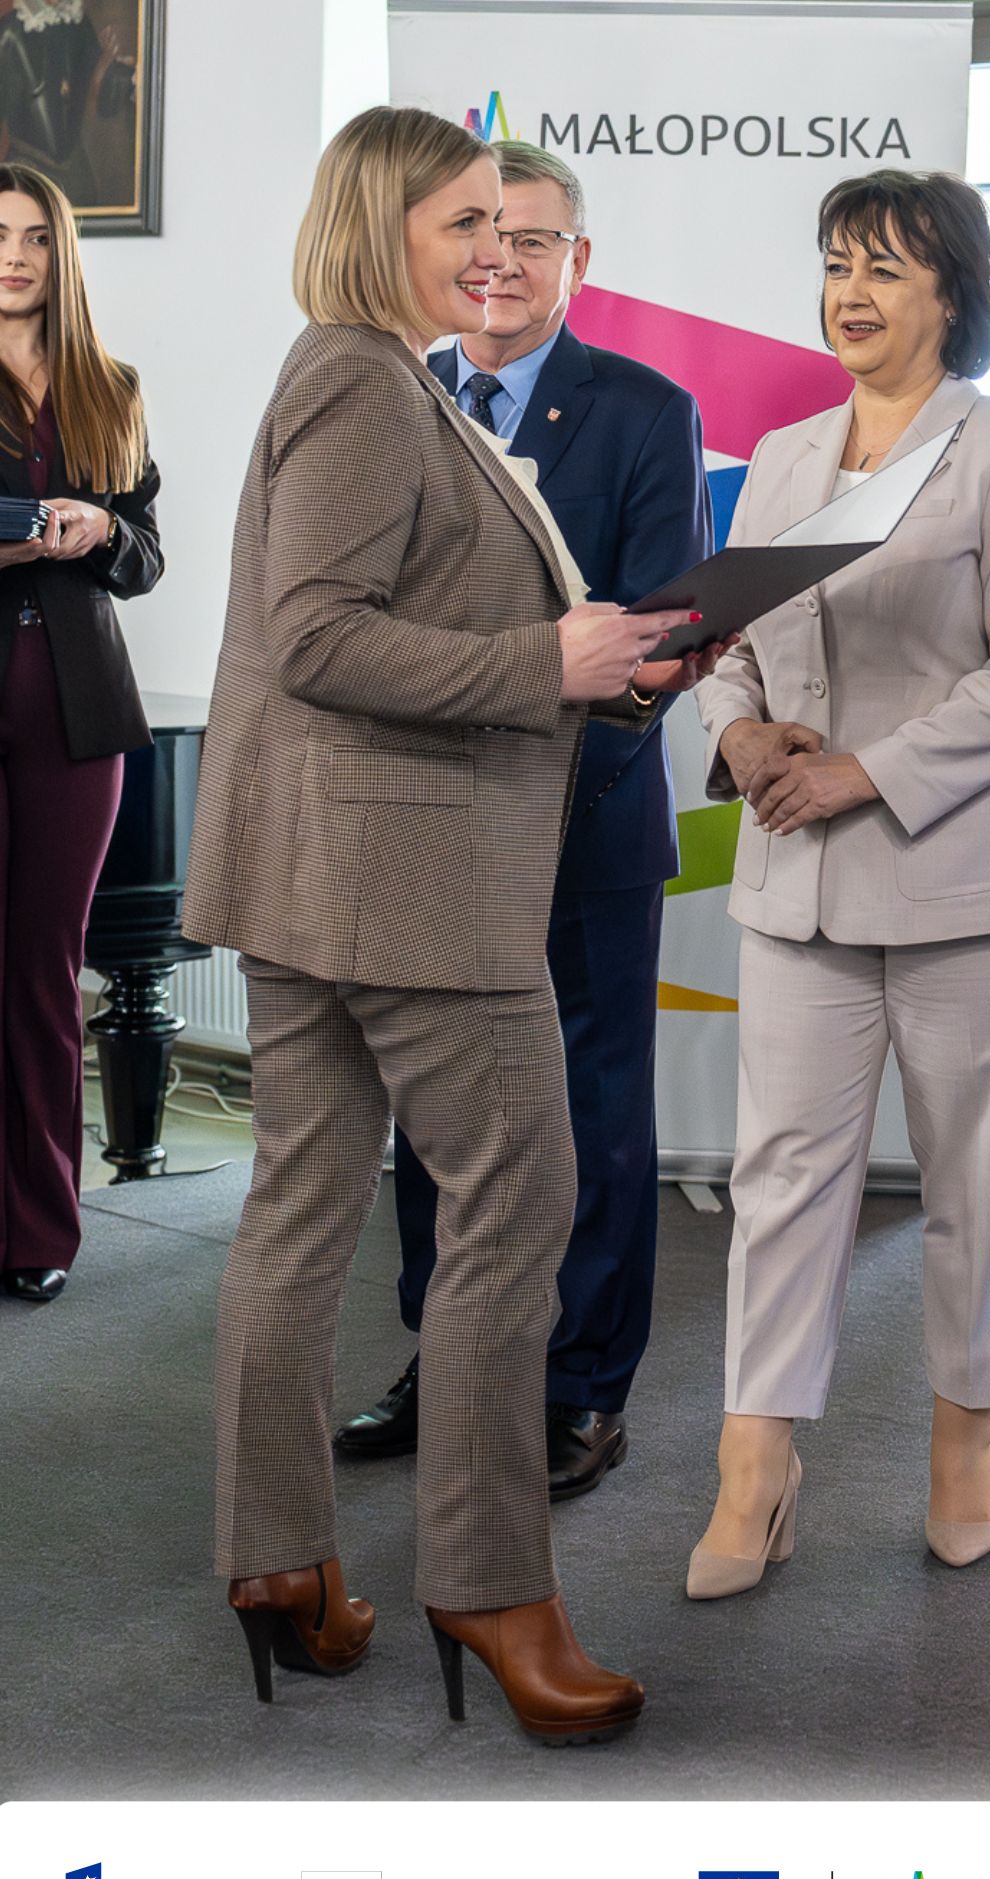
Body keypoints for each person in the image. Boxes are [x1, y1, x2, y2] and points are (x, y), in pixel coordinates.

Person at [181, 107, 716, 1741]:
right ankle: (489, 1585)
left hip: (325, 874)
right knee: (515, 1213)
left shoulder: (366, 372)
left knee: (298, 1215)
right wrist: (545, 663)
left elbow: (370, 623)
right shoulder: (360, 379)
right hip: (410, 887)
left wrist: (597, 659)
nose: (497, 247)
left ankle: (278, 1560)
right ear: (378, 224)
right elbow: (320, 636)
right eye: (463, 219)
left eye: (511, 221)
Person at [687, 169, 990, 1598]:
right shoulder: (783, 455)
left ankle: (965, 1437)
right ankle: (755, 1466)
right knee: (782, 1181)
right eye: (835, 264)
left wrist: (866, 772)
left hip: (967, 880)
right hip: (798, 878)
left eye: (883, 268)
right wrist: (737, 733)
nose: (848, 293)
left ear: (951, 295)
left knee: (973, 1178)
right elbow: (729, 642)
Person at [334, 140, 711, 1502]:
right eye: (479, 232)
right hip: (431, 823)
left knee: (589, 1112)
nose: (498, 260)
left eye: (533, 238)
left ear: (578, 260)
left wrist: (563, 735)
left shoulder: (645, 409)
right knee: (436, 1112)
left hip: (583, 820)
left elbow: (666, 626)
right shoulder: (399, 391)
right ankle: (447, 1359)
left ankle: (580, 1384)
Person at [0, 162, 162, 1307]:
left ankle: (39, 1228)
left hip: (78, 708)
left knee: (47, 973)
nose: (13, 257)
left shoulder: (112, 386)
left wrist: (101, 527)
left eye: (33, 238)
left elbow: (146, 557)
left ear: (62, 253)